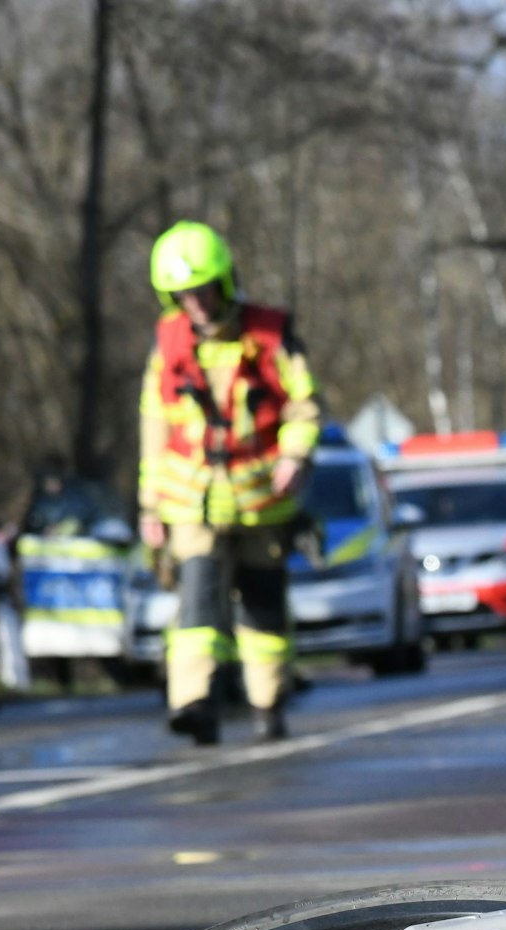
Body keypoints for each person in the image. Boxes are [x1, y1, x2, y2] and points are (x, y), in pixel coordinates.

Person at [138, 221, 321, 744]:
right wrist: (149, 508)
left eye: (201, 290)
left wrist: (295, 453)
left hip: (263, 501)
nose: (194, 303)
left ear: (224, 282)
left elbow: (305, 406)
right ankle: (195, 704)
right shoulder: (167, 344)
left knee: (262, 608)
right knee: (197, 604)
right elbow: (155, 428)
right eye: (182, 294)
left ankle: (269, 705)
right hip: (191, 502)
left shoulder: (269, 335)